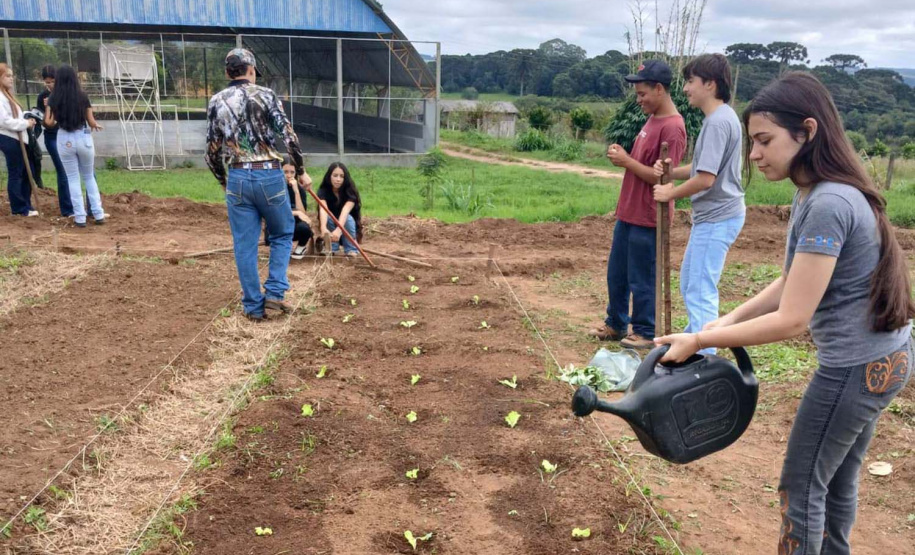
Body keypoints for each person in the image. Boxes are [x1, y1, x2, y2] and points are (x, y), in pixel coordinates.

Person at [655, 72, 913, 554]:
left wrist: (700, 340)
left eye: (764, 141)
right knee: (836, 481)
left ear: (807, 132)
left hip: (853, 371)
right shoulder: (821, 191)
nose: (753, 154)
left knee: (801, 488)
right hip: (888, 359)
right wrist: (725, 321)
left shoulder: (828, 202)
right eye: (753, 141)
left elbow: (793, 318)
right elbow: (790, 279)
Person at [206, 48, 311, 321]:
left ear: (228, 72)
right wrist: (300, 171)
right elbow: (289, 136)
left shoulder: (216, 100)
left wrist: (223, 180)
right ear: (250, 70)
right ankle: (275, 294)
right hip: (268, 173)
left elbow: (211, 150)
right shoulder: (266, 95)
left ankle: (253, 306)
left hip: (238, 176)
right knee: (282, 232)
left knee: (244, 244)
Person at [589, 60, 687, 349]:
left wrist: (626, 161)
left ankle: (644, 330)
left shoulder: (673, 128)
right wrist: (627, 159)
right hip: (629, 212)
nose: (639, 99)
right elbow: (643, 165)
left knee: (641, 278)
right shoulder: (652, 119)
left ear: (659, 89)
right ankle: (616, 324)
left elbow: (663, 179)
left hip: (649, 215)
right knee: (617, 274)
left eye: (643, 93)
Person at [651, 54, 745, 354]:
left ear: (710, 84)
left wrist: (670, 193)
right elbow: (701, 169)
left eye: (691, 81)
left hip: (718, 217)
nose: (686, 88)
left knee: (700, 289)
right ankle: (694, 347)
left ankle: (705, 358)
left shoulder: (718, 122)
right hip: (714, 218)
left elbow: (706, 179)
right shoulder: (721, 118)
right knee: (691, 285)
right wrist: (671, 171)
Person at [45, 65, 105, 228]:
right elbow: (91, 121)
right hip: (83, 136)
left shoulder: (53, 98)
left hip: (64, 138)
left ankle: (80, 217)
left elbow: (49, 122)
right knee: (88, 176)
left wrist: (50, 111)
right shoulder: (82, 96)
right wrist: (96, 125)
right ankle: (98, 213)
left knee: (72, 178)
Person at [0, 63, 38, 217]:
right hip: (9, 138)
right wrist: (24, 124)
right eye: (7, 76)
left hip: (18, 137)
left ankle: (26, 205)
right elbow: (4, 121)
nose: (11, 78)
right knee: (16, 172)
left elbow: (15, 115)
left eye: (11, 75)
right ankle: (19, 208)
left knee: (28, 170)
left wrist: (28, 118)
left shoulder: (7, 95)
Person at [37, 65, 73, 217]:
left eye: (52, 81)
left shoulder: (65, 94)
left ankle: (77, 204)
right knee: (62, 170)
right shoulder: (43, 97)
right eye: (47, 82)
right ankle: (67, 209)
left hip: (67, 135)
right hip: (52, 137)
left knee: (73, 171)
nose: (50, 85)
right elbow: (45, 123)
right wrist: (47, 108)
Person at [265, 156, 314, 260]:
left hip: (294, 225)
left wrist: (296, 191)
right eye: (285, 172)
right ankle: (279, 247)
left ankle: (300, 248)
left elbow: (303, 213)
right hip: (277, 224)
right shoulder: (273, 188)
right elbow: (275, 211)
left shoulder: (299, 189)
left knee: (305, 228)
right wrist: (296, 213)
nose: (289, 175)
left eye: (292, 172)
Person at [316, 162, 362, 257]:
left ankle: (351, 249)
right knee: (328, 217)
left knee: (348, 218)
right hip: (330, 225)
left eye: (341, 176)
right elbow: (323, 209)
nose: (338, 179)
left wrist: (339, 229)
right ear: (329, 176)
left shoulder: (350, 191)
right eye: (335, 175)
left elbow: (345, 211)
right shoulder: (323, 191)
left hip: (348, 227)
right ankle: (332, 248)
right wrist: (323, 228)